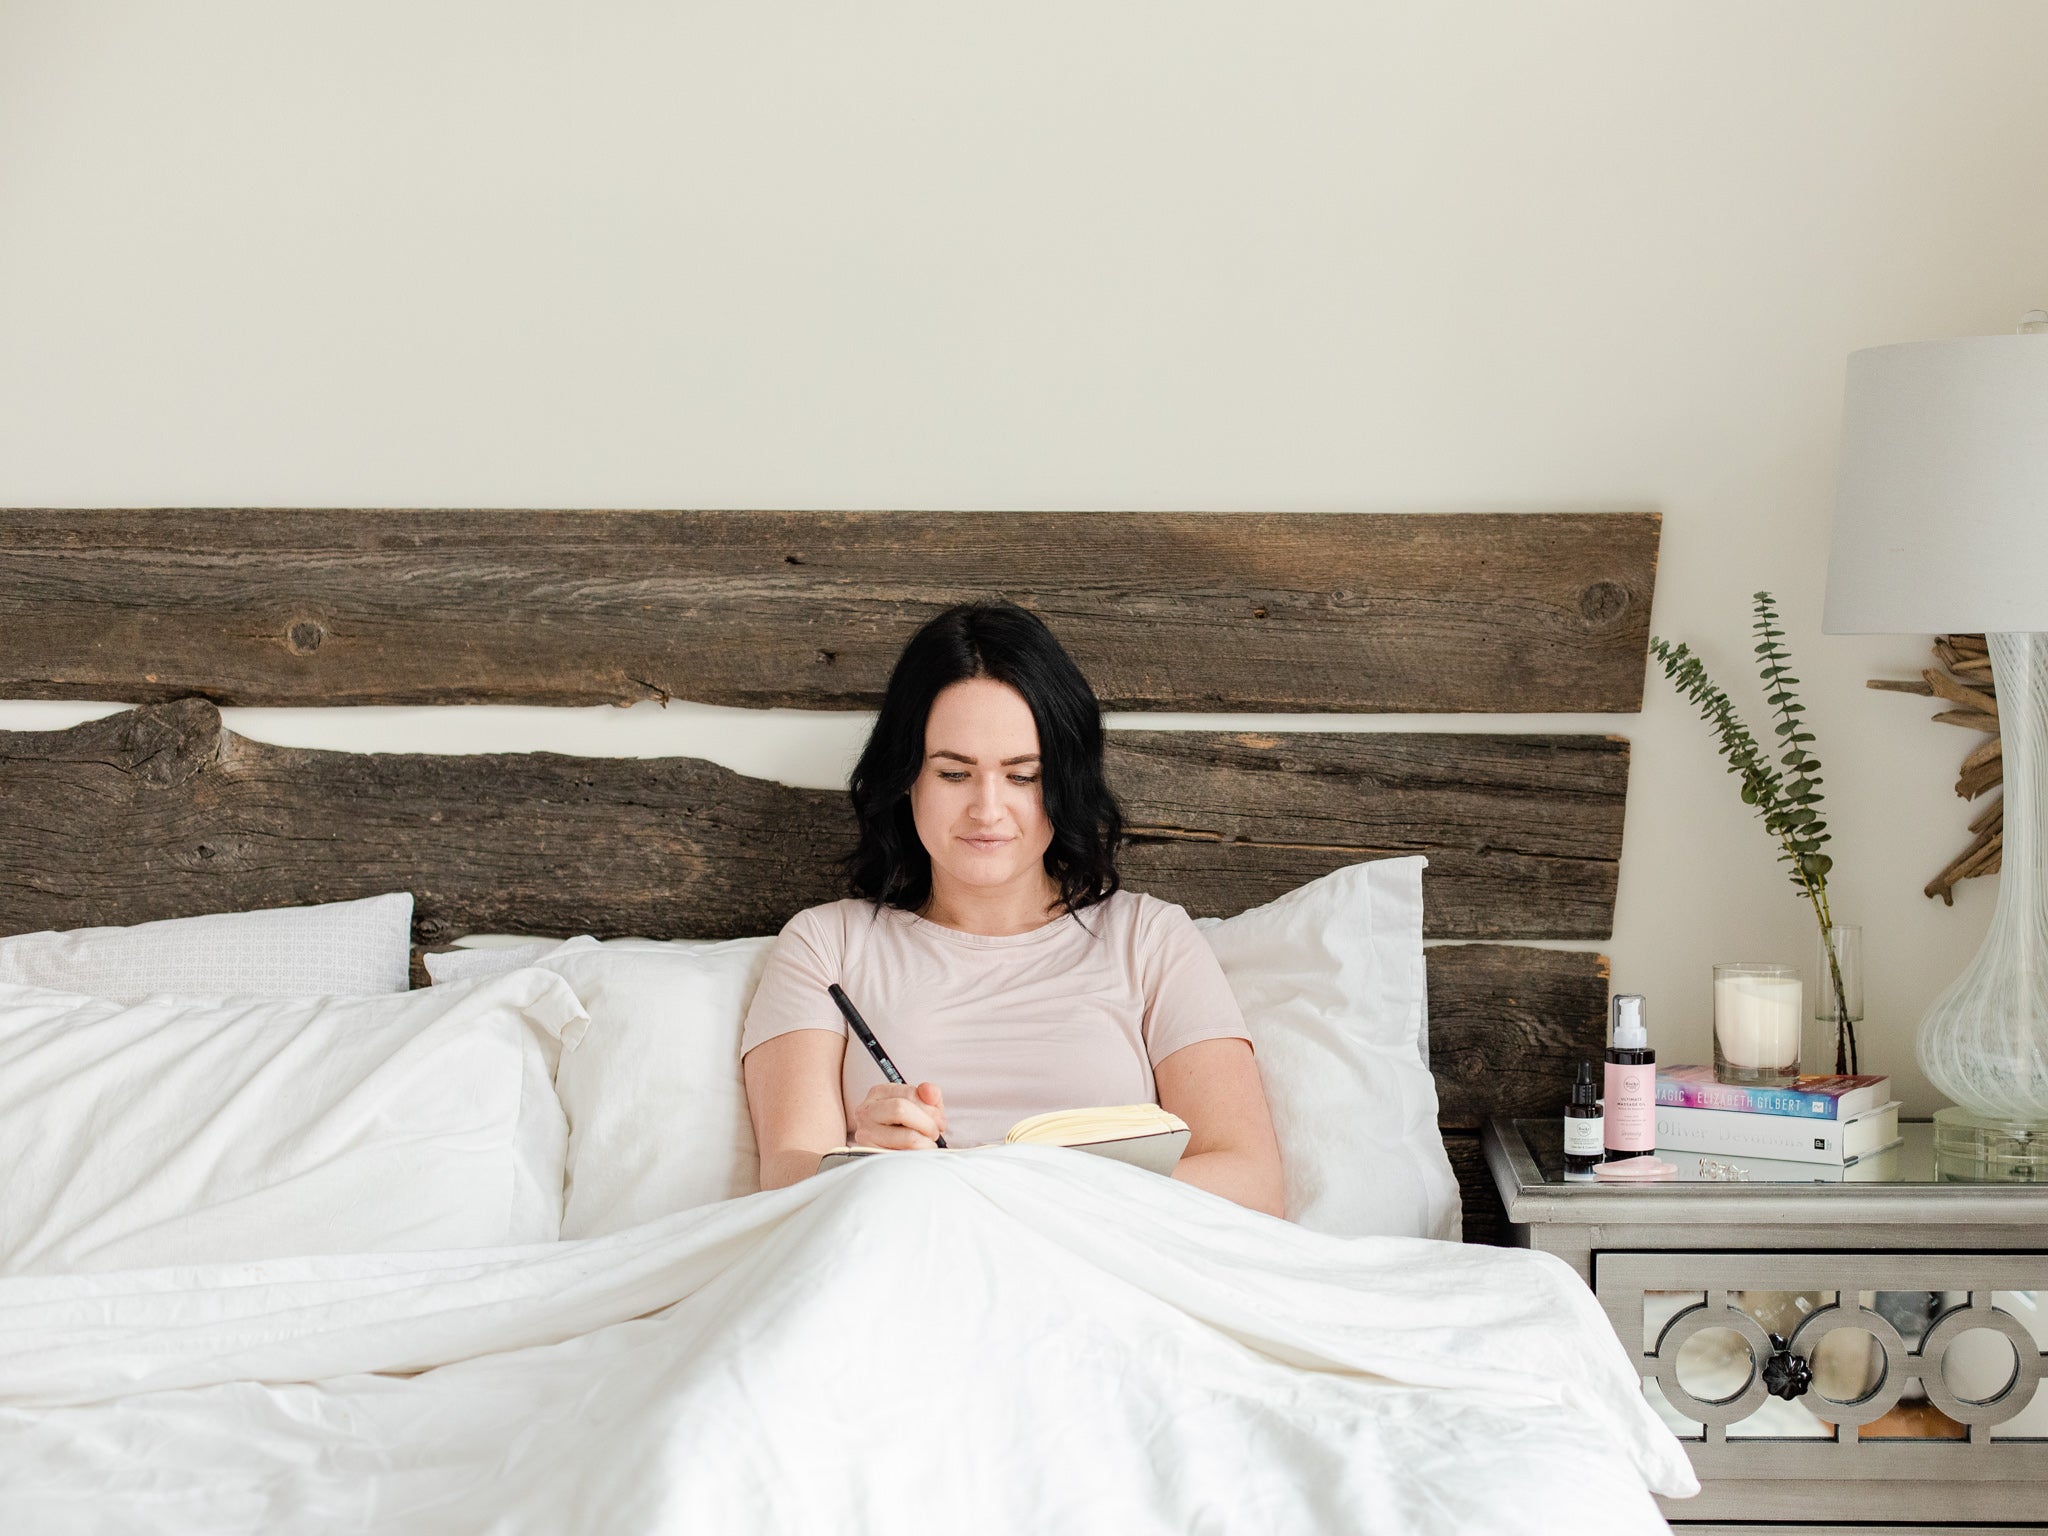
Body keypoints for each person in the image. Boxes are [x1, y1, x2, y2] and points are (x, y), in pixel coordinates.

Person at [740, 602, 1286, 1217]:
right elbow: (786, 1179)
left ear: (1062, 783)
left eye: (1023, 776)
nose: (988, 810)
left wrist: (1029, 1196)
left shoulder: (1150, 937)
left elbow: (1252, 1181)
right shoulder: (825, 944)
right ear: (907, 778)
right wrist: (861, 1162)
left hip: (1107, 1265)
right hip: (910, 1254)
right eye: (953, 774)